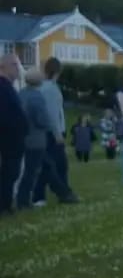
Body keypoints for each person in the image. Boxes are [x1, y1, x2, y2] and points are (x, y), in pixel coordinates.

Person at [16, 69, 78, 208]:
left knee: (43, 167)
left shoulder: (21, 94)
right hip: (36, 139)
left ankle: (63, 193)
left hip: (23, 138)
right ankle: (24, 201)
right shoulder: (36, 97)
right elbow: (42, 119)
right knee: (36, 170)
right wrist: (54, 130)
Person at [33, 57, 69, 206]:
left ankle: (39, 196)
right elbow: (53, 114)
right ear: (57, 71)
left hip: (45, 132)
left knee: (46, 165)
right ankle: (63, 193)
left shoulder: (43, 87)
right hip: (53, 133)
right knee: (60, 165)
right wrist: (58, 134)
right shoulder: (51, 89)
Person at [0, 53, 28, 216]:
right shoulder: (2, 87)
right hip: (7, 140)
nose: (18, 69)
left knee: (12, 173)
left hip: (14, 140)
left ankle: (6, 204)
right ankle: (3, 206)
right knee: (8, 173)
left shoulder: (9, 87)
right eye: (14, 65)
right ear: (2, 67)